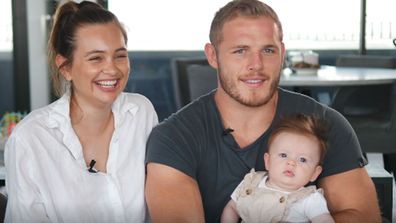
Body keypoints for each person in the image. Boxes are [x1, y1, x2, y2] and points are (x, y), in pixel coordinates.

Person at [145, 0, 381, 222]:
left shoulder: (324, 124)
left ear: (282, 54)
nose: (256, 65)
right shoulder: (174, 138)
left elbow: (364, 216)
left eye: (268, 50)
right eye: (240, 51)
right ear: (212, 55)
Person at [4, 1, 158, 222]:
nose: (113, 69)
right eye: (96, 58)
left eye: (120, 55)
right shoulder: (30, 139)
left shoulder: (141, 113)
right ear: (65, 67)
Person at [221, 114, 334, 223]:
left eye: (302, 159)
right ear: (268, 161)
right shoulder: (251, 183)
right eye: (283, 155)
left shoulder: (310, 200)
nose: (291, 163)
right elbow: (232, 208)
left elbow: (324, 220)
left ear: (314, 173)